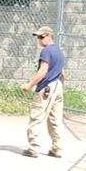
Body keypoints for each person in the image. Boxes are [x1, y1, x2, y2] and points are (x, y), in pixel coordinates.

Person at [21, 25, 66, 158]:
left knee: (36, 117)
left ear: (48, 36)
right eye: (38, 37)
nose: (39, 40)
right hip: (58, 87)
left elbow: (43, 71)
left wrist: (29, 85)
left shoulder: (46, 51)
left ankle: (33, 149)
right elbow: (63, 72)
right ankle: (57, 149)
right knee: (55, 119)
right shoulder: (58, 51)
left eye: (41, 37)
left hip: (46, 88)